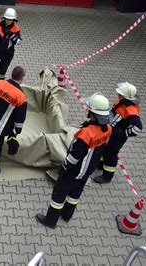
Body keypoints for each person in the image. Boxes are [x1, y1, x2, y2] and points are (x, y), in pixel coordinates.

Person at [36, 93, 112, 228]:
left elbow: (73, 157)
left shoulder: (86, 134)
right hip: (87, 170)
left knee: (59, 194)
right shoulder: (108, 129)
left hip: (74, 171)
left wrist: (63, 168)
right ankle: (66, 215)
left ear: (93, 114)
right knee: (75, 194)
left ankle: (50, 221)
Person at [93, 82, 142, 184]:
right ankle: (101, 165)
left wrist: (124, 133)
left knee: (111, 154)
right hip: (111, 131)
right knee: (104, 148)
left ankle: (107, 176)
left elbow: (138, 128)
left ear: (126, 97)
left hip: (118, 136)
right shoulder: (121, 101)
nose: (118, 96)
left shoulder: (131, 110)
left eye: (120, 94)